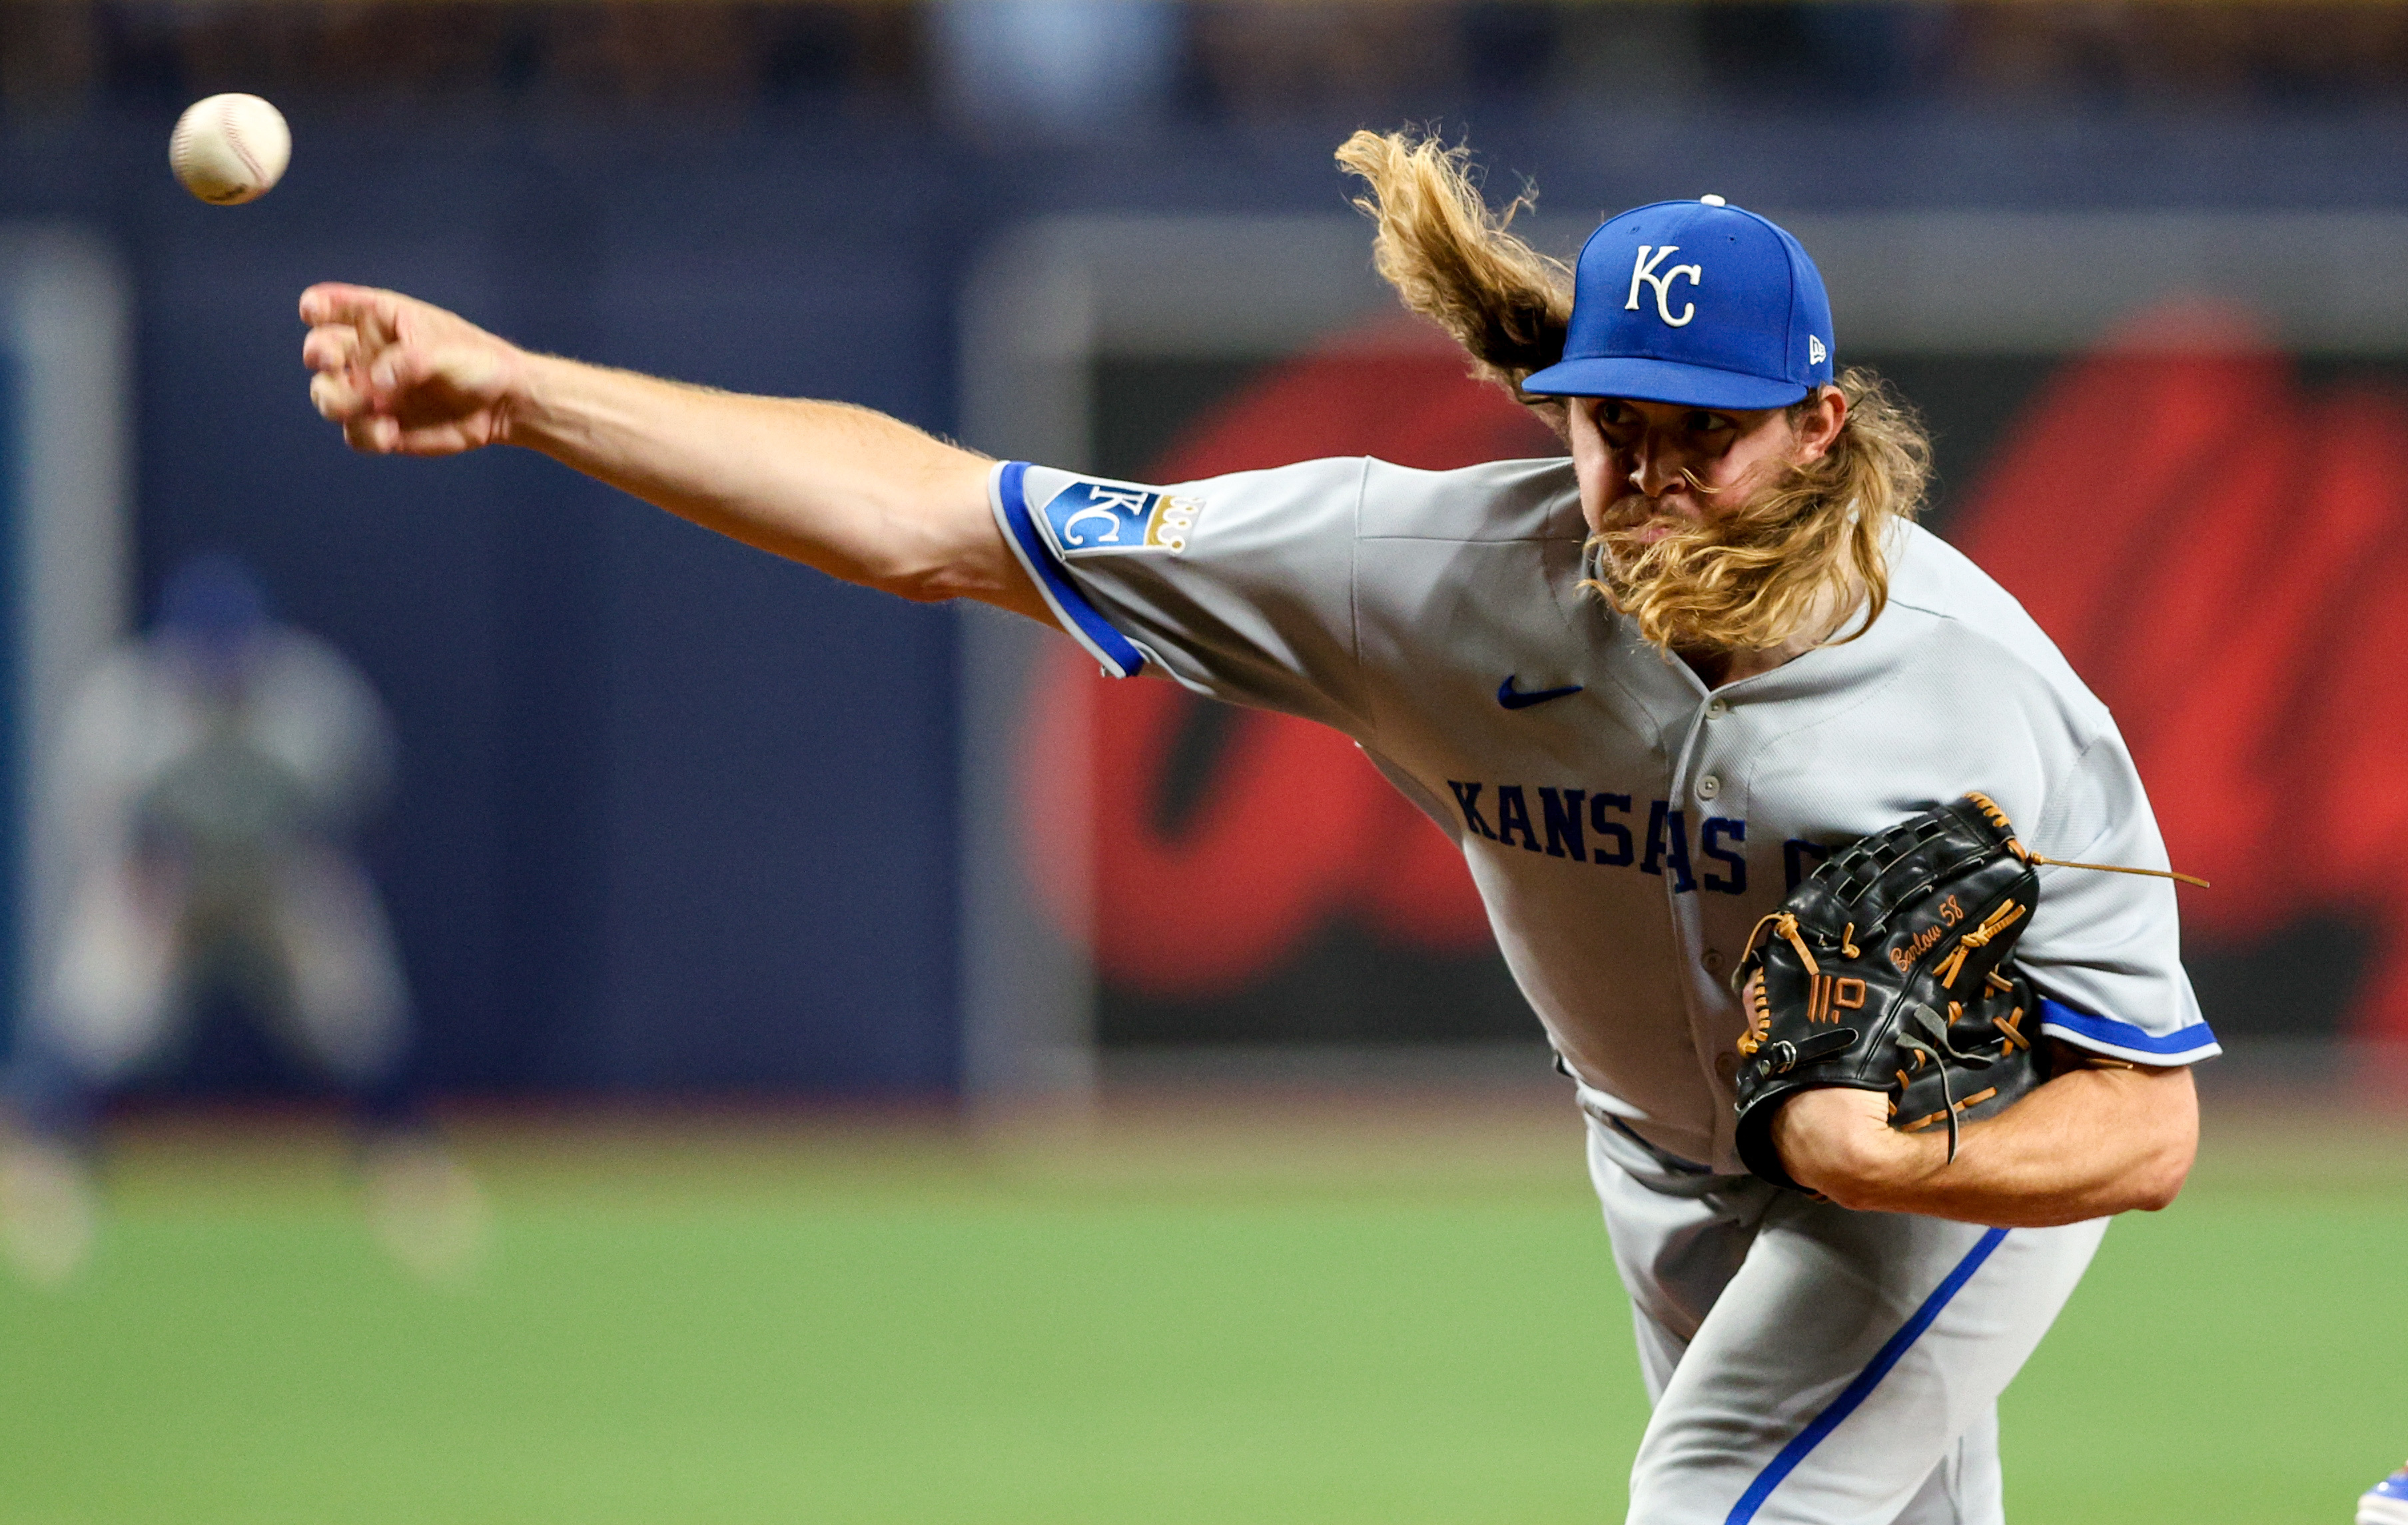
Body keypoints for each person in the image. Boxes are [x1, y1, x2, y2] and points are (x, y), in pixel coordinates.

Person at [295, 130, 2216, 1522]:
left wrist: (1886, 1156)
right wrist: (534, 388)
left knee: (1720, 1498)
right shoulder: (1429, 571)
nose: (1636, 478)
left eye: (1691, 433)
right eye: (1602, 421)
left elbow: (2144, 1122)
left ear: (1811, 426)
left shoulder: (1977, 688)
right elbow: (929, 522)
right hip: (1663, 1158)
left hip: (1933, 1176)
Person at [0, 554, 480, 1284]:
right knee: (102, 1008)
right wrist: (148, 894)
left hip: (276, 876)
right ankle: (35, 1160)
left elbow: (365, 803)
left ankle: (405, 1164)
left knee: (351, 1004)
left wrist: (319, 879)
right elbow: (101, 829)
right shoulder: (125, 707)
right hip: (164, 884)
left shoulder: (311, 699)